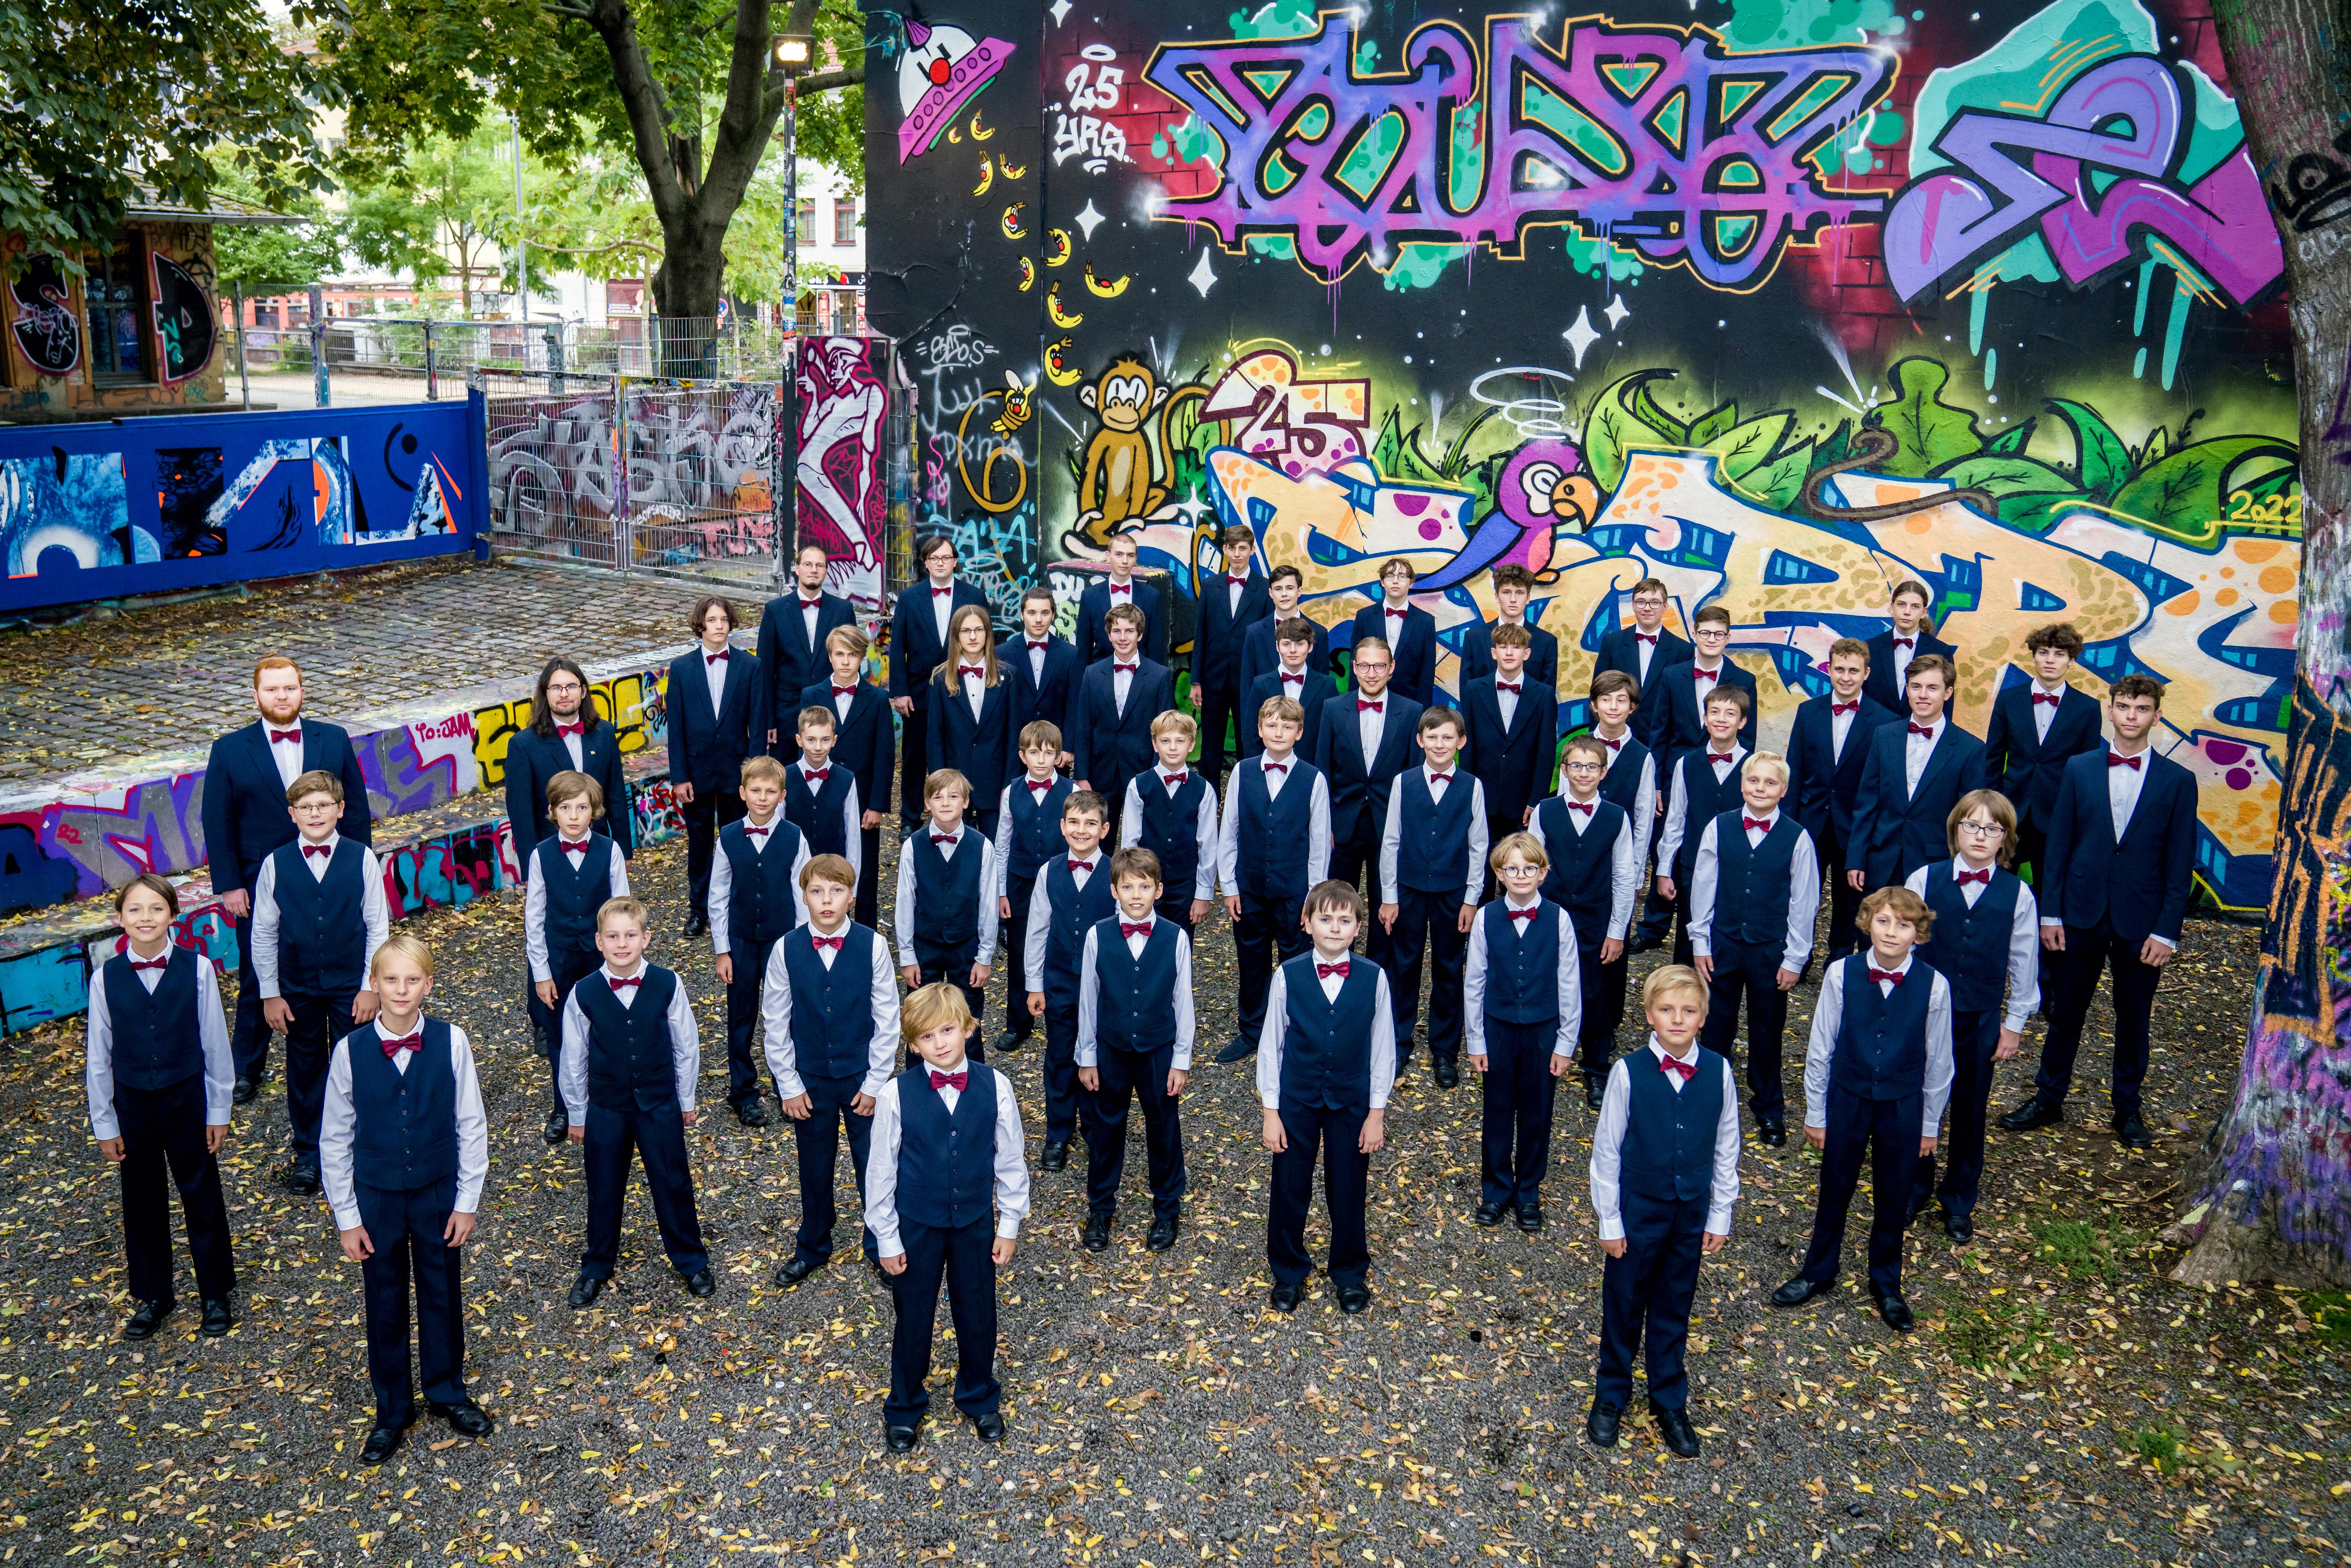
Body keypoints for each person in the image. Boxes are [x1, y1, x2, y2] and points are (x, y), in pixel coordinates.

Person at [2000, 675, 2196, 1150]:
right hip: (2078, 914)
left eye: (2141, 708)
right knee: (2065, 1012)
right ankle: (2048, 1097)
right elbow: (2058, 846)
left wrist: (2166, 931)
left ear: (2155, 715)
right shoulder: (2078, 768)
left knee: (2133, 1018)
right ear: (2109, 710)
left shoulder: (2177, 781)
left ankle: (2126, 1108)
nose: (2131, 715)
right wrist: (2050, 914)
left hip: (2140, 920)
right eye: (2123, 706)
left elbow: (2178, 861)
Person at [320, 935, 492, 1465]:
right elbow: (334, 1137)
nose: (400, 989)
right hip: (376, 1196)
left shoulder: (451, 1040)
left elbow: (471, 1123)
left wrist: (466, 1201)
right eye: (390, 979)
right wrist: (348, 1217)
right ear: (375, 983)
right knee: (385, 1298)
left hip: (438, 1190)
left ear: (428, 985)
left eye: (412, 979)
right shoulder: (349, 1051)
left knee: (442, 1290)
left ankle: (446, 1390)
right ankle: (392, 1408)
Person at [1774, 887, 1954, 1333]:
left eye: (1904, 924)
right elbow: (1820, 1047)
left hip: (1903, 1102)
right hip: (1849, 1094)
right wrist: (1816, 1112)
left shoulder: (1936, 986)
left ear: (1920, 934)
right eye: (1884, 921)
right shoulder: (1841, 974)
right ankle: (1818, 1270)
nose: (1892, 932)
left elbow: (1940, 1062)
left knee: (1894, 1192)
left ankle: (1887, 1283)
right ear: (1868, 923)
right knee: (1835, 1183)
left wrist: (1929, 1124)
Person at [201, 654, 374, 1103]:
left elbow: (353, 807)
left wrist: (360, 870)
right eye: (273, 689)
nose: (282, 696)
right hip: (262, 883)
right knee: (258, 976)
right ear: (256, 695)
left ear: (302, 690)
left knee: (337, 962)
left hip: (329, 873)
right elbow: (217, 821)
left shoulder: (332, 738)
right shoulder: (229, 749)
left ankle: (350, 1064)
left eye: (290, 688)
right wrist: (230, 883)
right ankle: (247, 1067)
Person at [1586, 965, 1739, 1459]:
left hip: (1690, 1209)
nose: (1677, 1019)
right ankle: (1611, 1391)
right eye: (1667, 1009)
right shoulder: (1627, 1071)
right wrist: (1609, 1219)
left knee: (1675, 1302)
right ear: (1650, 1014)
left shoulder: (1718, 1070)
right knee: (1624, 1301)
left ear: (1703, 1017)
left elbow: (1725, 1144)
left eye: (1688, 1011)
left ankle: (1668, 1397)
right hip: (1638, 1208)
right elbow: (1606, 1150)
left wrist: (1720, 1212)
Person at [869, 982, 1030, 1453]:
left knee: (977, 1310)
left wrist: (1009, 1224)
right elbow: (880, 1170)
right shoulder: (895, 1094)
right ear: (912, 1044)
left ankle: (979, 1396)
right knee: (913, 1315)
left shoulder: (996, 1085)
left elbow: (1011, 1160)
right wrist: (886, 1236)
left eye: (947, 1030)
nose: (939, 1043)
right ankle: (904, 1404)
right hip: (916, 1222)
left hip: (975, 1221)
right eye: (926, 1037)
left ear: (967, 1027)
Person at [87, 874, 235, 1342]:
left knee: (202, 1192)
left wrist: (219, 1108)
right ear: (120, 919)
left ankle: (214, 1290)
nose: (146, 918)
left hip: (186, 1094)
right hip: (133, 1101)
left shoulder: (197, 969)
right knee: (142, 1195)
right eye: (135, 909)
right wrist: (105, 1120)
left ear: (173, 914)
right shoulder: (104, 978)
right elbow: (98, 1054)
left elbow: (214, 1041)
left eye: (156, 908)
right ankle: (154, 1294)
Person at [560, 897, 715, 1308]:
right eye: (613, 936)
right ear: (599, 941)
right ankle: (596, 1265)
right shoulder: (584, 993)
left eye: (631, 935)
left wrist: (686, 1098)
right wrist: (577, 1112)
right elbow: (573, 1057)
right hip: (607, 1107)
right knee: (604, 1186)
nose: (622, 943)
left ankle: (691, 1260)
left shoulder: (668, 982)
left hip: (659, 1102)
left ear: (646, 938)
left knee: (673, 1181)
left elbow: (686, 1044)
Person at [1904, 791, 2039, 1243]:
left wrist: (2014, 1023)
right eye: (1971, 825)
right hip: (1925, 1014)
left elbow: (2024, 960)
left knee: (1970, 1105)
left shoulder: (2019, 894)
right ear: (1955, 830)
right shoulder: (1924, 879)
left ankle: (1959, 1197)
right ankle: (1914, 1184)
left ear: (2005, 839)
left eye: (1992, 828)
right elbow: (1905, 944)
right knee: (1919, 1097)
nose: (1981, 835)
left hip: (1979, 1016)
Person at [1258, 880, 1397, 1314]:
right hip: (1297, 1097)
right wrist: (1271, 1111)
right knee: (1290, 1183)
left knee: (1349, 1186)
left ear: (1358, 927)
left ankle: (1350, 1271)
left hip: (1352, 1100)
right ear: (1307, 922)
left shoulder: (1375, 979)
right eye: (1325, 918)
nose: (1334, 928)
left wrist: (1376, 1113)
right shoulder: (1288, 975)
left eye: (1344, 920)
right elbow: (1271, 1046)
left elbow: (1383, 1049)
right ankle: (1288, 1270)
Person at [251, 769, 390, 1194]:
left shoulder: (361, 857)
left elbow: (377, 924)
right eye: (306, 807)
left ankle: (365, 1148)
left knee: (361, 1063)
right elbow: (264, 932)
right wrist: (271, 993)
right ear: (292, 814)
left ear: (340, 810)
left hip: (352, 985)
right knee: (306, 1070)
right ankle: (309, 1154)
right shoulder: (275, 864)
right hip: (298, 989)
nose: (316, 813)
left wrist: (372, 986)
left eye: (324, 805)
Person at [765, 856, 899, 1285]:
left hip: (861, 1075)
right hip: (810, 1079)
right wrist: (788, 1083)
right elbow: (775, 1020)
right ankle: (814, 1245)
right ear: (803, 896)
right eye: (818, 891)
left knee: (873, 1163)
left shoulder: (873, 945)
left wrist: (876, 1082)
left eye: (837, 891)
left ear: (852, 897)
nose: (827, 900)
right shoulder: (785, 948)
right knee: (814, 1164)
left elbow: (887, 1018)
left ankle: (881, 1244)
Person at [1687, 753, 1820, 1147]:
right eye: (1754, 781)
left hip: (1769, 951)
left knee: (1767, 1028)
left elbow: (1804, 901)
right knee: (1714, 1026)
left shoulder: (1797, 838)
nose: (1761, 788)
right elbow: (1704, 886)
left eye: (1770, 783)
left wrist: (1795, 957)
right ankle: (1707, 1101)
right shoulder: (1719, 827)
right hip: (1723, 945)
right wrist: (1700, 940)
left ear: (1783, 789)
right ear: (1743, 785)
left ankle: (1768, 1106)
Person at [1074, 847, 1194, 1252]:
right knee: (1106, 1126)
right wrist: (1086, 1055)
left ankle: (1167, 1207)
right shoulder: (1098, 934)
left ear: (1158, 890)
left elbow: (1183, 1002)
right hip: (1111, 1047)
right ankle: (1101, 1208)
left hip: (1159, 1048)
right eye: (1128, 887)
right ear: (1114, 891)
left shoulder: (1176, 938)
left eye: (1145, 886)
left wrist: (1181, 1059)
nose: (1137, 894)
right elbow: (1089, 1000)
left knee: (1163, 1125)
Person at [1464, 834, 1580, 1231]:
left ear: (1543, 873)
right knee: (1497, 1110)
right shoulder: (1486, 917)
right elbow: (1474, 981)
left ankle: (1528, 1190)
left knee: (1537, 1111)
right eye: (1512, 868)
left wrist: (1566, 1042)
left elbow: (1569, 984)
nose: (1521, 875)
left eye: (1529, 868)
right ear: (1499, 873)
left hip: (1542, 1030)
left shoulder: (1559, 919)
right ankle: (1496, 1190)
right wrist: (1476, 1040)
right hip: (1497, 1027)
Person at [1215, 697, 1333, 1064]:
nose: (1278, 732)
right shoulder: (1242, 772)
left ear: (1299, 733)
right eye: (1271, 725)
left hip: (1295, 891)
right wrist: (1229, 886)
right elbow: (1229, 830)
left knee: (1297, 960)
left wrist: (1313, 899)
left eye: (1287, 726)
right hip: (1249, 887)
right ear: (1260, 729)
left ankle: (1298, 1030)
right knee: (1251, 959)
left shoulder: (1314, 779)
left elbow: (1319, 844)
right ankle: (1252, 1030)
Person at [1378, 708, 1489, 1087]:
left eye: (1448, 738)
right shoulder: (1402, 783)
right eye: (1433, 737)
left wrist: (1472, 899)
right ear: (1420, 740)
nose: (1440, 744)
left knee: (1448, 967)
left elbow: (1479, 846)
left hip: (1453, 892)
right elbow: (1391, 840)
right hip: (1408, 888)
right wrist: (1389, 896)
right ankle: (1397, 1041)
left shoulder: (1472, 786)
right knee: (1404, 964)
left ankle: (1445, 1049)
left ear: (1461, 742)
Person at [523, 771, 631, 1145]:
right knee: (559, 1036)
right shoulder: (541, 855)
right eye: (565, 808)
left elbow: (623, 910)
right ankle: (563, 1108)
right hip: (559, 960)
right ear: (552, 811)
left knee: (608, 1028)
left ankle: (609, 1102)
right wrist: (541, 973)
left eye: (582, 808)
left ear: (594, 811)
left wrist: (621, 963)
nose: (573, 816)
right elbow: (534, 919)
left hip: (603, 961)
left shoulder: (610, 850)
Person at [1528, 737, 1637, 1109]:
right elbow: (1530, 865)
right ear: (1564, 770)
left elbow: (1624, 876)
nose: (1584, 773)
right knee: (1545, 983)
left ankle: (1595, 1067)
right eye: (1576, 765)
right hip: (1552, 913)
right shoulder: (1544, 811)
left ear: (1603, 772)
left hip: (1595, 918)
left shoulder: (1617, 817)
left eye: (1592, 767)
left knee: (1595, 992)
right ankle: (1544, 1056)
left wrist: (1617, 930)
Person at [710, 756, 811, 1127]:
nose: (763, 798)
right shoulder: (729, 837)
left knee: (785, 1013)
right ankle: (743, 1092)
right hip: (739, 941)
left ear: (782, 795)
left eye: (771, 792)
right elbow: (718, 895)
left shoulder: (795, 837)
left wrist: (802, 944)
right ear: (743, 793)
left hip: (782, 940)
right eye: (756, 790)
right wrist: (723, 949)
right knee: (741, 1016)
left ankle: (789, 1088)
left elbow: (804, 893)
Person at [1022, 790, 1118, 1172]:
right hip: (1060, 979)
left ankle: (1095, 1125)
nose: (1082, 830)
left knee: (1099, 1055)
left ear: (1105, 829)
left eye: (1091, 823)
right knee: (1061, 1054)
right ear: (1063, 827)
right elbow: (1037, 929)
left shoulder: (1115, 873)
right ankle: (1058, 1132)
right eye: (1074, 823)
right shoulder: (1049, 871)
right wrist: (1034, 982)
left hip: (1103, 987)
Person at [1786, 638, 1899, 962]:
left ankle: (1837, 959)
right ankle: (1798, 956)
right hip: (1811, 819)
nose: (1846, 677)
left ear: (1866, 673)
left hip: (1855, 825)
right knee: (1803, 893)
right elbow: (1794, 770)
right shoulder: (1808, 711)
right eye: (1839, 669)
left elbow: (1881, 785)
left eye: (1853, 670)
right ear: (1829, 670)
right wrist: (1789, 825)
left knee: (1849, 898)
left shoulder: (1884, 720)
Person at [1845, 654, 1989, 898]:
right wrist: (1856, 857)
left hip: (1936, 865)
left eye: (1932, 688)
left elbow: (1968, 818)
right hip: (1881, 861)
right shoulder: (1884, 736)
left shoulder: (1970, 749)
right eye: (1916, 687)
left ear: (1948, 693)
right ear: (1908, 690)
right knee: (1873, 933)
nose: (1923, 695)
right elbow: (1867, 802)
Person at [666, 594, 759, 937]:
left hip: (737, 773)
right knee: (700, 841)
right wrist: (680, 776)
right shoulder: (681, 669)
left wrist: (751, 776)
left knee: (736, 839)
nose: (719, 626)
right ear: (701, 625)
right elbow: (675, 728)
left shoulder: (749, 666)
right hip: (698, 772)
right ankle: (699, 909)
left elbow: (757, 724)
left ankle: (737, 904)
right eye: (712, 620)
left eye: (724, 620)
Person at [1980, 622, 2102, 882]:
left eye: (2059, 654)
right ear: (2034, 655)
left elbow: (2088, 771)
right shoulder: (2009, 700)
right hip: (2011, 811)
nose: (2050, 660)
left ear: (2071, 660)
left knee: (2050, 888)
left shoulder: (2088, 708)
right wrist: (1991, 808)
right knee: (1999, 883)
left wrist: (2077, 817)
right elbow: (1992, 757)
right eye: (2044, 652)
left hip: (2058, 814)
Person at [504, 656, 635, 890]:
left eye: (571, 686)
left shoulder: (605, 733)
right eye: (556, 687)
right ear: (545, 693)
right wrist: (530, 868)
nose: (564, 694)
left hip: (599, 848)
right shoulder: (523, 745)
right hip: (552, 854)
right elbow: (521, 814)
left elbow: (615, 794)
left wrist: (624, 850)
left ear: (583, 691)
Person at [890, 535, 991, 828]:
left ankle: (963, 814)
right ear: (926, 564)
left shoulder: (974, 596)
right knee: (915, 757)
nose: (941, 563)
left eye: (946, 558)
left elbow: (985, 642)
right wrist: (899, 691)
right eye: (934, 559)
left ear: (955, 561)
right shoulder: (910, 598)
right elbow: (897, 647)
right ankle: (910, 819)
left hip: (962, 689)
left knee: (959, 752)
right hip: (919, 693)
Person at [1314, 634, 1423, 898]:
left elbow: (1414, 774)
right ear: (1354, 667)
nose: (1371, 674)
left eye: (1379, 666)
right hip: (1342, 821)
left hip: (1388, 821)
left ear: (1391, 668)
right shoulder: (1333, 708)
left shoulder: (1411, 712)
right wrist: (1324, 821)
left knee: (1386, 902)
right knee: (1337, 900)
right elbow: (1323, 769)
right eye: (1364, 666)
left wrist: (1407, 824)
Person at [1651, 688, 1753, 968]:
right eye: (1715, 713)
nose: (1722, 720)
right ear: (1705, 719)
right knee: (1688, 940)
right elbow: (1675, 820)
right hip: (1691, 867)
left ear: (1742, 722)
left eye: (1731, 714)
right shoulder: (1686, 764)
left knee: (1726, 941)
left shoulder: (1753, 767)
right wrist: (1664, 871)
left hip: (1736, 867)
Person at [894, 769, 999, 1036]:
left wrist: (985, 956)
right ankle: (920, 1074)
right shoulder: (913, 846)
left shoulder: (983, 846)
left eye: (954, 796)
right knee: (922, 1018)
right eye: (938, 797)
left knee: (968, 1020)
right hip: (924, 946)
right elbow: (905, 903)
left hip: (966, 947)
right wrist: (907, 956)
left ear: (965, 802)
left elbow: (988, 905)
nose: (945, 803)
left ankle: (971, 1074)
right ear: (927, 803)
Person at [802, 626, 894, 927]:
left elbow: (884, 754)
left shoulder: (878, 698)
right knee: (816, 863)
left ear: (862, 657)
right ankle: (813, 925)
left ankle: (865, 931)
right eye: (839, 654)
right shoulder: (811, 695)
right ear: (830, 657)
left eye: (852, 655)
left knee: (863, 868)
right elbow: (805, 744)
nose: (845, 661)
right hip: (821, 794)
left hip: (864, 798)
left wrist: (878, 804)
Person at [993, 721, 1072, 1055]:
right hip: (1022, 882)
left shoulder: (1071, 792)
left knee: (1061, 944)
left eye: (1049, 753)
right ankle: (1018, 1022)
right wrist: (1000, 891)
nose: (1042, 759)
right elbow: (1002, 843)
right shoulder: (1011, 791)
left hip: (1059, 881)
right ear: (1023, 756)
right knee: (1020, 951)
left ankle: (1062, 1017)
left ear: (1058, 756)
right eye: (1035, 753)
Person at [1067, 604, 1176, 840]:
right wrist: (1082, 775)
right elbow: (1084, 726)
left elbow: (1165, 731)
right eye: (1117, 631)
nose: (1123, 637)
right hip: (1101, 771)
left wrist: (1160, 773)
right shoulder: (1093, 674)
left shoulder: (1159, 676)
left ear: (1140, 634)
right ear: (1108, 635)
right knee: (1098, 839)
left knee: (1144, 839)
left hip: (1143, 770)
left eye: (1129, 631)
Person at [1459, 623, 1559, 866]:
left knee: (1518, 867)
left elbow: (1545, 753)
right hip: (1484, 795)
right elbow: (1468, 746)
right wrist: (1469, 794)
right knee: (1480, 867)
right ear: (1494, 653)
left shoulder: (1543, 695)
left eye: (1516, 647)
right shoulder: (1474, 690)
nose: (1509, 652)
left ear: (1527, 654)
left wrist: (1535, 801)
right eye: (1503, 647)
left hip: (1522, 801)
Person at [754, 543, 857, 762]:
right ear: (797, 569)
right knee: (786, 783)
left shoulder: (843, 610)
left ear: (826, 571)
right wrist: (769, 720)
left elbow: (852, 663)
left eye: (820, 565)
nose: (814, 570)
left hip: (831, 711)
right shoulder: (775, 611)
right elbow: (765, 670)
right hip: (787, 717)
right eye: (808, 564)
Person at [1119, 711, 1217, 933]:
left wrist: (1203, 894)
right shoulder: (1139, 786)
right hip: (1144, 882)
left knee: (1180, 942)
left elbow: (1208, 845)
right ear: (1155, 745)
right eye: (1165, 741)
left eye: (1180, 741)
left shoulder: (1204, 790)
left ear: (1191, 745)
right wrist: (1129, 884)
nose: (1173, 747)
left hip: (1185, 885)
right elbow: (1130, 841)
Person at [1193, 522, 1274, 785]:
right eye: (1233, 548)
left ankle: (1247, 801)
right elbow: (1201, 634)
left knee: (1247, 744)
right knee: (1211, 749)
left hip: (1249, 680)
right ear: (1225, 550)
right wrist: (1196, 680)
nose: (1238, 554)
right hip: (1214, 678)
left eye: (1243, 548)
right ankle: (1208, 805)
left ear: (1251, 550)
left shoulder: (1264, 589)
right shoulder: (1210, 586)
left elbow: (1266, 639)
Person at [926, 605, 1013, 835]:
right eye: (965, 631)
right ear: (956, 636)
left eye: (979, 630)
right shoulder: (940, 679)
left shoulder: (1009, 676)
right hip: (953, 785)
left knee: (997, 849)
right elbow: (935, 737)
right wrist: (939, 786)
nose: (973, 637)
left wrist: (1010, 783)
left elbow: (1014, 736)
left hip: (995, 782)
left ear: (988, 633)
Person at [1645, 604, 1758, 754]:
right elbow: (1660, 733)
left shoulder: (1745, 681)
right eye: (1705, 633)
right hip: (1676, 771)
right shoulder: (1672, 676)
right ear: (1694, 635)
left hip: (1723, 771)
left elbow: (1747, 739)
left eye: (1719, 634)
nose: (1711, 639)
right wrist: (1659, 776)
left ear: (1728, 638)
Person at [781, 705, 863, 886]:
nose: (818, 747)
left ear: (834, 741)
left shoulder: (847, 779)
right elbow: (778, 829)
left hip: (835, 872)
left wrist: (853, 886)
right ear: (799, 740)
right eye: (811, 740)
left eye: (825, 740)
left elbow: (853, 835)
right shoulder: (784, 777)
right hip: (793, 871)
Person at [1000, 586, 1081, 767]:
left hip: (1054, 751)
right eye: (1032, 613)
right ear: (1022, 615)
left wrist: (1068, 748)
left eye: (1045, 613)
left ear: (1053, 615)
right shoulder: (1002, 654)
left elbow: (1074, 703)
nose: (1038, 620)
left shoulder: (1071, 654)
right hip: (1014, 751)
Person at [1243, 616, 1339, 761]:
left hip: (1313, 768)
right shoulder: (1261, 685)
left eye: (1299, 644)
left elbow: (1332, 736)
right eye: (1287, 644)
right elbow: (1251, 736)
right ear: (1277, 647)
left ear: (1311, 646)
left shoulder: (1327, 686)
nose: (1293, 650)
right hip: (1270, 767)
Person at [1863, 580, 1959, 717]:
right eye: (1902, 605)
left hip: (1921, 731)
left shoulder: (1941, 651)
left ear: (1924, 612)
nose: (1907, 612)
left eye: (1915, 607)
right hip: (1876, 733)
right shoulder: (1870, 647)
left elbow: (1946, 705)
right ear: (1892, 608)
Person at [1349, 559, 1437, 707]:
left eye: (1402, 576)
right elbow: (1355, 664)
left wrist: (1423, 714)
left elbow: (1427, 674)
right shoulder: (1365, 617)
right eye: (1390, 576)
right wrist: (1352, 704)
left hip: (1409, 704)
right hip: (1369, 699)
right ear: (1383, 582)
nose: (1395, 581)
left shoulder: (1426, 622)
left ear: (1411, 583)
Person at [1459, 563, 1560, 689]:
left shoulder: (1546, 642)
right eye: (1507, 592)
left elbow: (1547, 697)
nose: (1513, 599)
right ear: (1497, 596)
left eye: (1520, 593)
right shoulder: (1474, 638)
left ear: (1528, 598)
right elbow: (1466, 691)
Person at [1074, 533, 1167, 664]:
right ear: (1108, 556)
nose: (1125, 561)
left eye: (1130, 555)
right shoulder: (1090, 596)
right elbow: (1083, 649)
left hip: (1139, 674)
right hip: (1100, 675)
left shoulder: (1151, 596)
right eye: (1119, 554)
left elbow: (1155, 648)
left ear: (1136, 559)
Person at [1594, 578, 1690, 697]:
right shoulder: (1612, 643)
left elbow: (1682, 700)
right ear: (1633, 605)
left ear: (1665, 607)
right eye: (1641, 602)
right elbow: (1597, 693)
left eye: (1655, 602)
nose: (1647, 608)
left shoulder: (1683, 650)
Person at [1240, 564, 1329, 689]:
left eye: (1290, 588)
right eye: (1278, 589)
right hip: (1265, 707)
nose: (1284, 594)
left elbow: (1322, 685)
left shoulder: (1319, 632)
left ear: (1300, 591)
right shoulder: (1254, 632)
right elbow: (1247, 682)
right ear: (1271, 593)